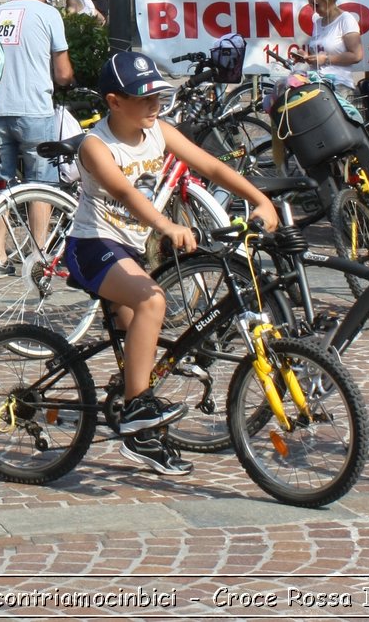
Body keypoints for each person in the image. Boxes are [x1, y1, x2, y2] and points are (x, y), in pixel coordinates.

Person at [66, 51, 280, 475]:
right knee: (153, 301)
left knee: (142, 348)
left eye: (159, 96)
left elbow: (212, 166)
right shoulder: (95, 145)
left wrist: (261, 199)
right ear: (114, 102)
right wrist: (168, 227)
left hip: (128, 249)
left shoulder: (159, 131)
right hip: (92, 246)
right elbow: (127, 194)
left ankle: (139, 431)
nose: (155, 106)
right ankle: (136, 411)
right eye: (144, 98)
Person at [0, 0, 74, 278]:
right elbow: (62, 73)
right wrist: (68, 81)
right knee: (41, 184)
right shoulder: (49, 14)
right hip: (35, 109)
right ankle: (37, 255)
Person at [301, 0, 363, 95]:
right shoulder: (318, 22)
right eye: (311, 5)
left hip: (338, 85)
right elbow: (319, 56)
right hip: (317, 83)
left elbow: (357, 55)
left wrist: (327, 59)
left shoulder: (346, 19)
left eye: (316, 5)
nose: (314, 9)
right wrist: (307, 57)